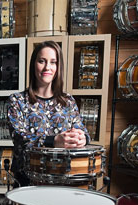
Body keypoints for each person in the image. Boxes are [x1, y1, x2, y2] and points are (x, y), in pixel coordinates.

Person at [8, 40, 90, 186]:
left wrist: (83, 138)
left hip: (62, 179)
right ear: (34, 64)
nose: (47, 67)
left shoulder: (68, 101)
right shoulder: (18, 100)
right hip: (27, 181)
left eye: (53, 62)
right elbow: (19, 137)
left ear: (58, 67)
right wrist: (54, 141)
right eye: (42, 61)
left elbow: (81, 129)